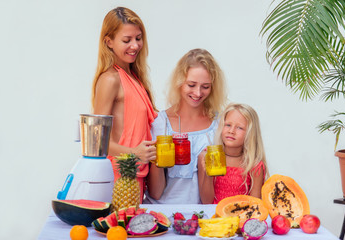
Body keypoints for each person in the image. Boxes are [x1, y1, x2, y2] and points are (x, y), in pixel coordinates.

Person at [91, 7, 158, 202]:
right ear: (109, 42)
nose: (135, 45)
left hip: (137, 176)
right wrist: (134, 153)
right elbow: (97, 142)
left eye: (138, 38)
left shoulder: (135, 78)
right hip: (118, 178)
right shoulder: (110, 79)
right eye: (126, 40)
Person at [145, 48, 227, 204]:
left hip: (202, 216)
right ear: (179, 82)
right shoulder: (161, 123)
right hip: (160, 213)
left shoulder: (219, 125)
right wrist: (157, 158)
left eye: (205, 86)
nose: (197, 93)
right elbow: (155, 193)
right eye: (191, 84)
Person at [198, 103, 268, 204]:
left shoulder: (254, 165)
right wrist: (208, 174)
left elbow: (255, 206)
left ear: (250, 133)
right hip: (213, 218)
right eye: (228, 125)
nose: (231, 131)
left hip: (240, 218)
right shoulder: (206, 156)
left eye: (239, 128)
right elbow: (206, 202)